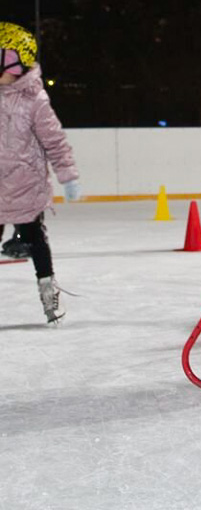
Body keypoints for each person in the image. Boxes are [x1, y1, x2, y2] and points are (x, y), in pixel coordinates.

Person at [0, 22, 81, 324]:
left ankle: (48, 293)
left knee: (35, 239)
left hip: (25, 187)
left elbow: (54, 140)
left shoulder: (34, 99)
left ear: (16, 61)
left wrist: (68, 176)